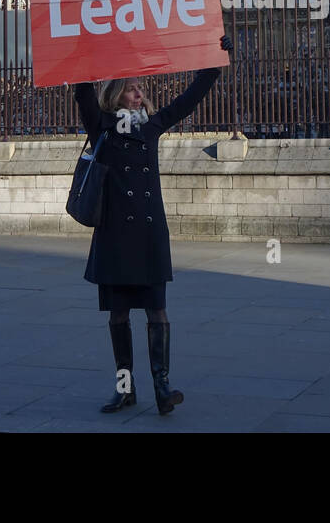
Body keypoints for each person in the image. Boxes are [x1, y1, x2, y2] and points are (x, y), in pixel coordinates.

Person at [73, 34, 232, 415]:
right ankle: (125, 389)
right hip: (115, 234)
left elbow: (189, 100)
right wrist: (80, 58)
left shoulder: (150, 127)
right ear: (115, 95)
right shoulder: (103, 128)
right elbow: (82, 95)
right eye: (130, 89)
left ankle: (162, 386)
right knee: (119, 314)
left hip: (147, 235)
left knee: (158, 309)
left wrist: (213, 62)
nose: (138, 94)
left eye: (140, 88)